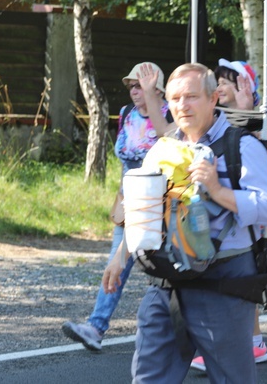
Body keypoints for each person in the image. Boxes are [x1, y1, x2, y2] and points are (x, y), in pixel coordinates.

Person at [102, 62, 267, 383]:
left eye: (192, 96)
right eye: (175, 98)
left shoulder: (241, 146)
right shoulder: (162, 149)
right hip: (166, 283)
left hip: (224, 283)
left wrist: (217, 190)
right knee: (148, 378)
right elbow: (145, 210)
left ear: (213, 99)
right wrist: (120, 256)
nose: (182, 105)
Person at [62, 62, 173, 351]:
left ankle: (185, 335)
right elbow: (124, 161)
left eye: (140, 86)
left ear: (157, 89)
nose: (134, 92)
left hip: (161, 203)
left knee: (167, 270)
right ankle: (96, 327)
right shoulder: (126, 114)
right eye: (132, 87)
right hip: (130, 201)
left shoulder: (171, 115)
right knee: (117, 262)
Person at [190, 59, 267, 371]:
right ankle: (253, 342)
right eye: (218, 82)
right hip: (218, 211)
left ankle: (243, 344)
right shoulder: (212, 119)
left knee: (241, 276)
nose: (221, 87)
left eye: (229, 82)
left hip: (246, 209)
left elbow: (255, 129)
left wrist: (249, 100)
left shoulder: (250, 121)